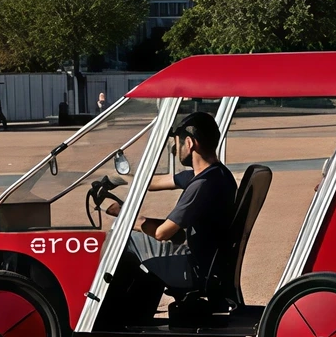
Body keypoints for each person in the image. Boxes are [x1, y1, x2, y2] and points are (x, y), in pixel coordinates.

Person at [100, 111, 236, 293]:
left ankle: (106, 306)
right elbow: (153, 183)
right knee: (140, 238)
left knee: (123, 237)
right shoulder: (215, 174)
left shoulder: (202, 186)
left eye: (178, 143)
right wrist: (117, 178)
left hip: (195, 267)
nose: (175, 149)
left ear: (189, 143)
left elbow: (161, 233)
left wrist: (123, 214)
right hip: (209, 260)